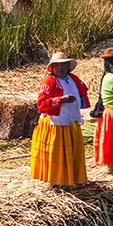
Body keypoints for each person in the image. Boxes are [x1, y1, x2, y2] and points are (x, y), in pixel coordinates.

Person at [30, 52, 90, 186]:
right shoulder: (49, 81)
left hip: (71, 121)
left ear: (68, 66)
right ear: (52, 68)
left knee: (71, 152)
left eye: (63, 65)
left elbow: (83, 91)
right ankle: (56, 180)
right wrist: (61, 100)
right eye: (57, 65)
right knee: (58, 154)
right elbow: (41, 103)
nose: (61, 68)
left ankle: (71, 178)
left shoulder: (73, 79)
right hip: (56, 123)